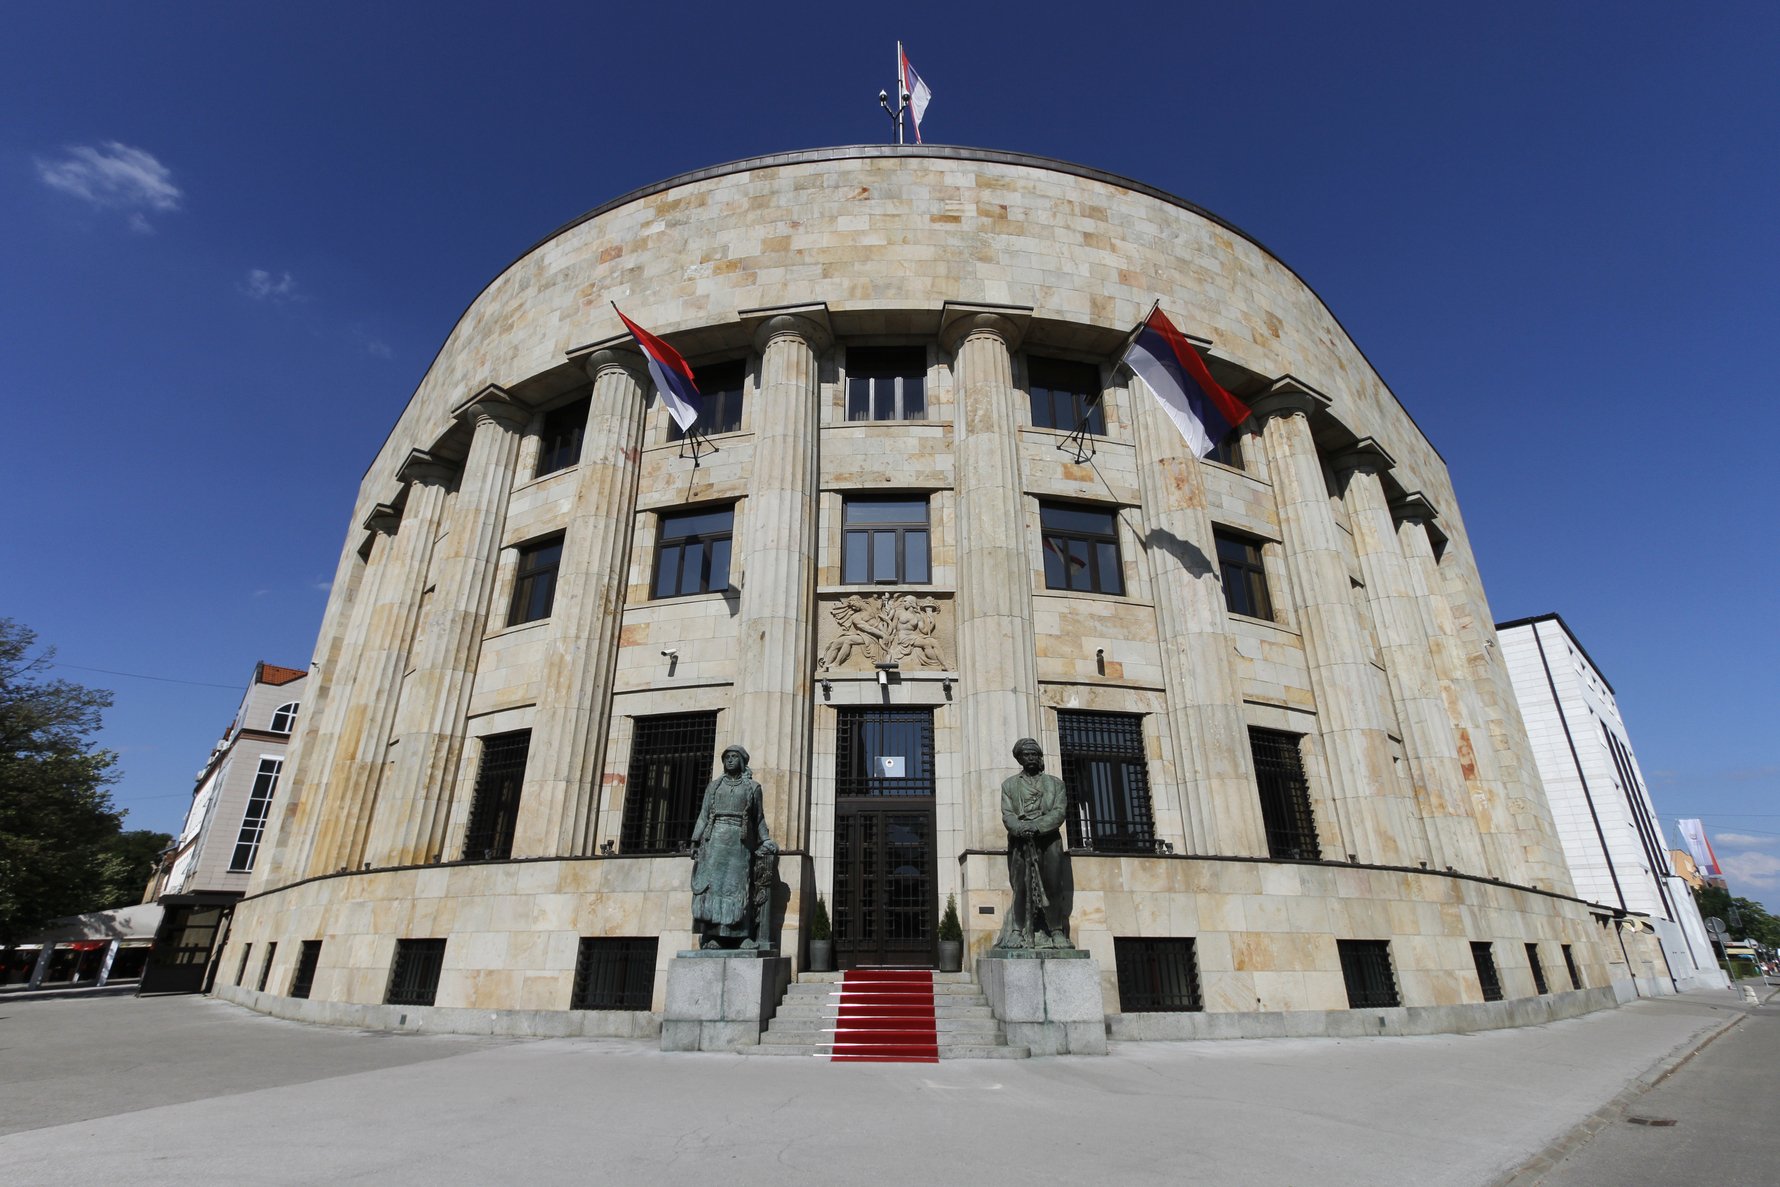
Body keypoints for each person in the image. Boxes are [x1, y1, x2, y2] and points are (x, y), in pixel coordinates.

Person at [689, 745, 777, 949]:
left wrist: (765, 840)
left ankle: (741, 936)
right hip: (714, 842)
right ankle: (713, 937)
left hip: (739, 842)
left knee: (738, 888)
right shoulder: (713, 787)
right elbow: (703, 816)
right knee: (713, 889)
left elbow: (759, 818)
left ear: (743, 761)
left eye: (734, 757)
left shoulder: (753, 788)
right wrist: (695, 842)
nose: (729, 760)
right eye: (726, 757)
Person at [996, 738, 1075, 950]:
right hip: (1021, 841)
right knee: (1021, 886)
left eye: (1033, 754)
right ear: (1020, 758)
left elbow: (1059, 812)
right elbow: (1008, 814)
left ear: (1039, 757)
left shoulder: (1056, 784)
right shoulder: (1009, 785)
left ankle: (1056, 931)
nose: (1030, 758)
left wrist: (1037, 826)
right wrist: (1021, 828)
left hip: (1048, 840)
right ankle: (1017, 931)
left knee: (1051, 886)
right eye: (1025, 755)